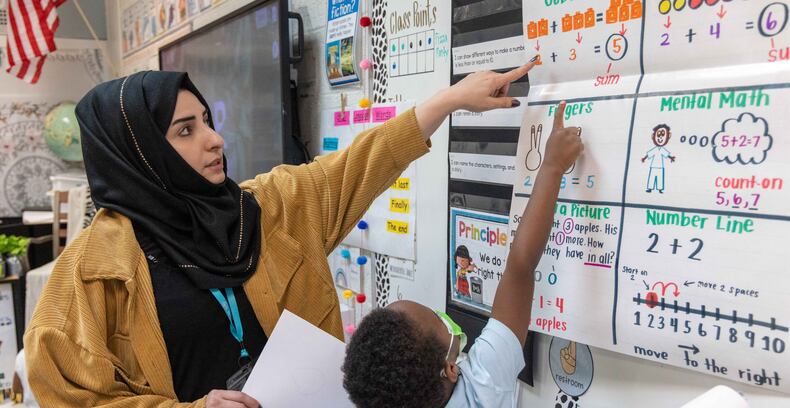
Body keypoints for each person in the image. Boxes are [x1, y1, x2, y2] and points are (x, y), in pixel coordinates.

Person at [25, 59, 538, 407]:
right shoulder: (93, 273)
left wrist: (449, 101)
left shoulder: (264, 208)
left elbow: (356, 167)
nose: (214, 140)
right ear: (138, 154)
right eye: (185, 130)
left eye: (206, 120)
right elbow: (70, 397)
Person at [342, 101, 583, 408]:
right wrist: (552, 166)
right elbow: (521, 265)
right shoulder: (481, 389)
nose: (443, 317)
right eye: (437, 318)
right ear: (451, 369)